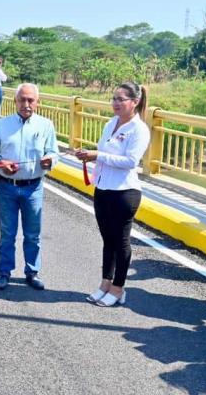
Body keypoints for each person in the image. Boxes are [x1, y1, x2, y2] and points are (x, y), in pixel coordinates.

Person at [76, 82, 150, 307]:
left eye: (121, 99)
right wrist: (89, 156)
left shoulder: (139, 129)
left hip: (124, 192)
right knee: (108, 240)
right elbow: (105, 153)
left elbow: (130, 162)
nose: (116, 103)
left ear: (134, 102)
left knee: (121, 241)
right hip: (103, 189)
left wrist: (98, 155)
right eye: (114, 99)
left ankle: (118, 288)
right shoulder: (111, 123)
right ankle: (105, 284)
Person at [0, 83, 58, 291]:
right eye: (22, 100)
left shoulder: (46, 125)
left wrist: (49, 160)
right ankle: (4, 272)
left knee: (32, 234)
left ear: (37, 102)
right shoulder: (2, 124)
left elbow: (54, 152)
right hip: (7, 187)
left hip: (33, 187)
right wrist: (0, 162)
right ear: (15, 101)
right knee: (7, 233)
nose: (26, 104)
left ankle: (32, 272)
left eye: (31, 100)